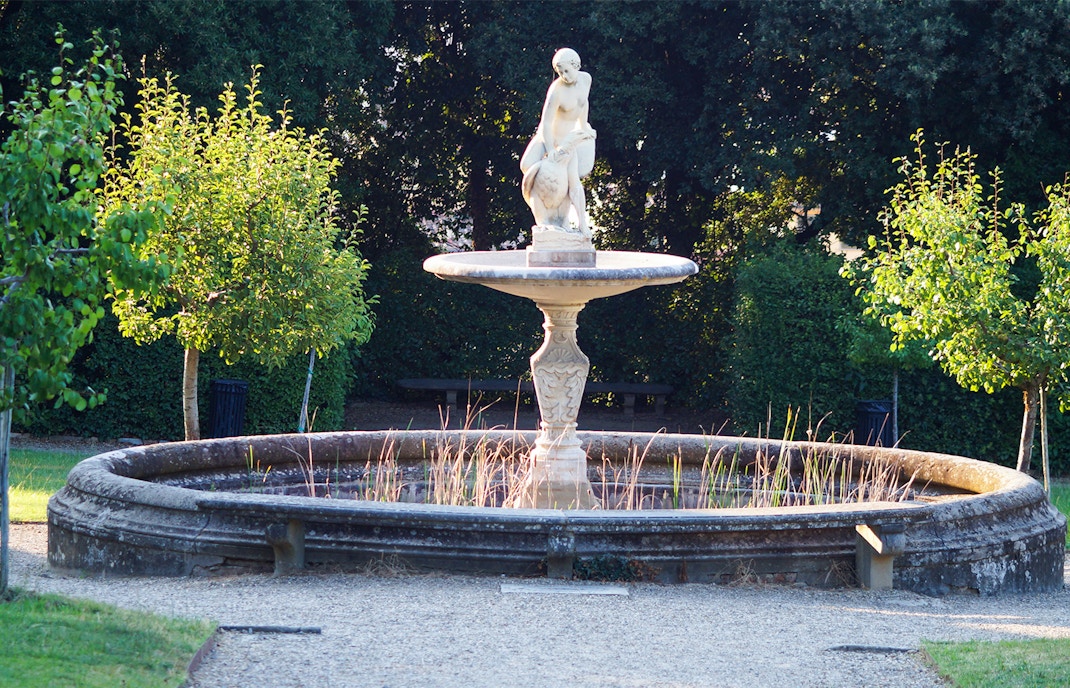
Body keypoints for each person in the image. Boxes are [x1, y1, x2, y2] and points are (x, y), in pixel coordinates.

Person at [520, 48, 596, 236]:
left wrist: (583, 126)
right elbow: (545, 122)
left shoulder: (586, 80)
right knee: (527, 166)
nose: (563, 75)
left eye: (566, 71)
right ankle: (543, 215)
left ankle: (580, 225)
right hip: (551, 138)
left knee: (573, 183)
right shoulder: (556, 90)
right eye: (559, 72)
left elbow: (583, 103)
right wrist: (549, 148)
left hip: (569, 141)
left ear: (576, 65)